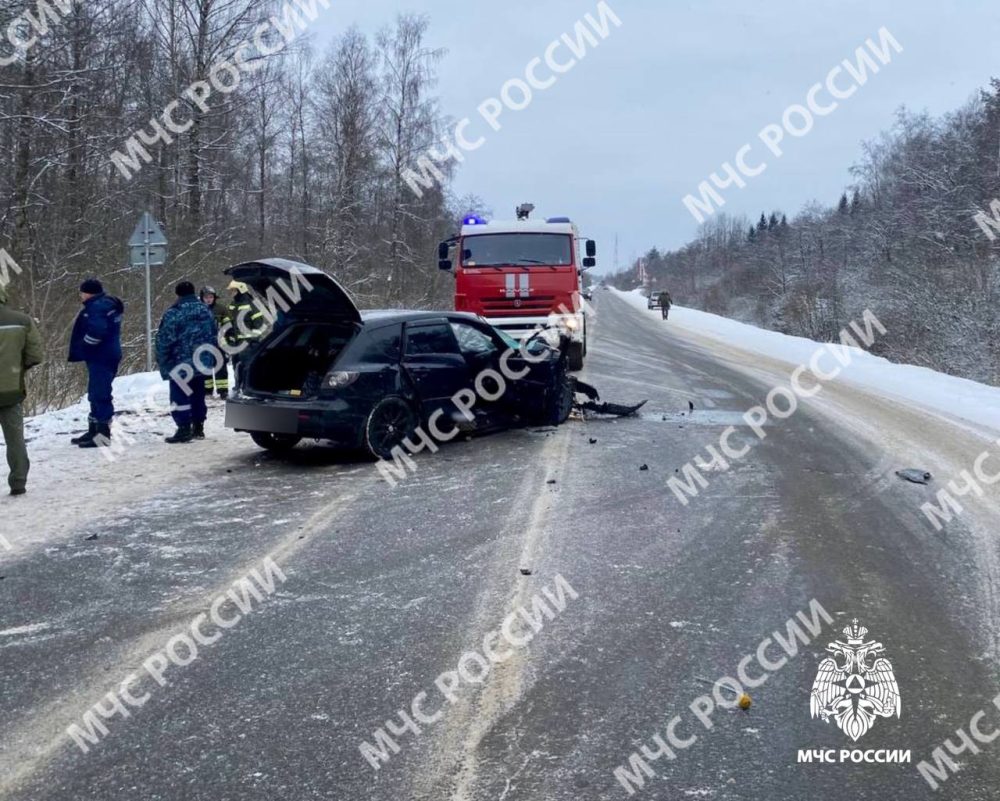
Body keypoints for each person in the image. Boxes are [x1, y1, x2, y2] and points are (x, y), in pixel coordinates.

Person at [156, 281, 218, 444]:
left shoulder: (174, 312)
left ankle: (184, 427)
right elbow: (214, 333)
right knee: (198, 393)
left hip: (180, 362)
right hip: (202, 360)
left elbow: (165, 339)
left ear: (178, 294)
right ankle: (198, 427)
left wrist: (163, 359)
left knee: (180, 394)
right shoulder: (205, 310)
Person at [68, 278, 124, 448]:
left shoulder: (97, 307)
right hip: (106, 354)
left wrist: (86, 345)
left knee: (100, 393)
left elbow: (98, 331)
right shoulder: (106, 304)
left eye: (82, 292)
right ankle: (93, 429)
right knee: (95, 391)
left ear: (88, 293)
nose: (81, 296)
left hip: (102, 355)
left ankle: (102, 434)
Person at [0, 281, 44, 495]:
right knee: (15, 439)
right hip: (12, 391)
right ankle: (18, 482)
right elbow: (35, 356)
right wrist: (18, 368)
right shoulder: (23, 321)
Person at [226, 280, 266, 383]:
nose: (231, 293)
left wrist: (252, 339)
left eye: (233, 290)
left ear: (240, 290)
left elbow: (259, 322)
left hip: (248, 342)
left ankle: (248, 387)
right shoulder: (232, 304)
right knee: (236, 365)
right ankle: (238, 386)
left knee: (247, 366)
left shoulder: (251, 304)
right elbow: (230, 322)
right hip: (236, 342)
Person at [200, 286, 231, 399]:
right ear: (202, 298)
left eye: (211, 297)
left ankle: (223, 391)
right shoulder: (199, 310)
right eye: (206, 297)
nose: (208, 299)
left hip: (219, 343)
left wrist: (227, 340)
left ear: (214, 298)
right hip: (204, 344)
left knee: (221, 368)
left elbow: (228, 326)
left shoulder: (221, 309)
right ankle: (207, 391)